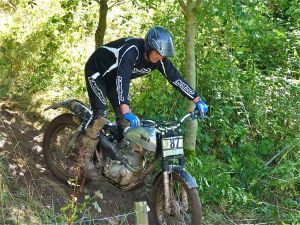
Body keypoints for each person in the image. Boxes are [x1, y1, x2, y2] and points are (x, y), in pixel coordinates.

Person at [79, 26, 208, 179]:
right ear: (149, 47)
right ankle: (83, 157)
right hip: (97, 73)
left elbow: (175, 78)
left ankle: (114, 156)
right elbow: (123, 78)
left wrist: (197, 99)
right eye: (157, 53)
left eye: (162, 55)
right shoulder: (132, 50)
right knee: (101, 115)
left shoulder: (159, 60)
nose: (159, 57)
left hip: (114, 82)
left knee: (125, 123)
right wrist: (126, 110)